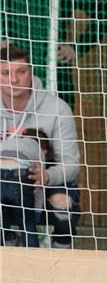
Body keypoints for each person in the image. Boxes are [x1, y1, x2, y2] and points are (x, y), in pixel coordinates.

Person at [0, 45, 81, 247]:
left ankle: (61, 255)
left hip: (45, 178)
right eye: (5, 73)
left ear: (31, 71)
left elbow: (71, 165)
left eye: (21, 71)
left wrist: (46, 176)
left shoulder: (57, 108)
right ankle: (8, 243)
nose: (13, 80)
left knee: (64, 208)